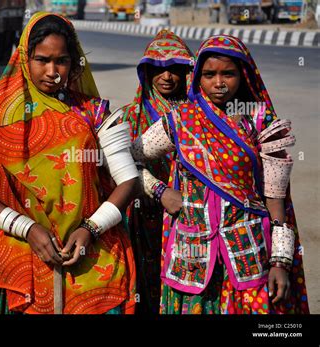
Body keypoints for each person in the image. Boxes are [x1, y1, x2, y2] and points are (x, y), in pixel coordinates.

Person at [0, 12, 138, 314]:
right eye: (42, 60)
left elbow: (128, 181)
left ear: (74, 63)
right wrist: (28, 228)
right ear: (25, 58)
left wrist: (91, 229)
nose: (52, 71)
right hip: (20, 256)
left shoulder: (94, 113)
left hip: (89, 254)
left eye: (61, 60)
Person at [132, 35, 309, 314]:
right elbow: (128, 159)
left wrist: (279, 262)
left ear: (244, 74)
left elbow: (276, 199)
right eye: (209, 74)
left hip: (249, 252)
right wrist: (160, 191)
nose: (219, 83)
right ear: (197, 78)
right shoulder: (180, 121)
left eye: (228, 73)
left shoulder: (261, 121)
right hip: (192, 255)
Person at [120, 30, 194, 313]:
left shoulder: (198, 113)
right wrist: (159, 190)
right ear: (146, 72)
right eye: (158, 69)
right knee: (146, 284)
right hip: (144, 215)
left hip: (190, 215)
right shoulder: (130, 116)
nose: (167, 77)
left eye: (174, 69)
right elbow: (121, 167)